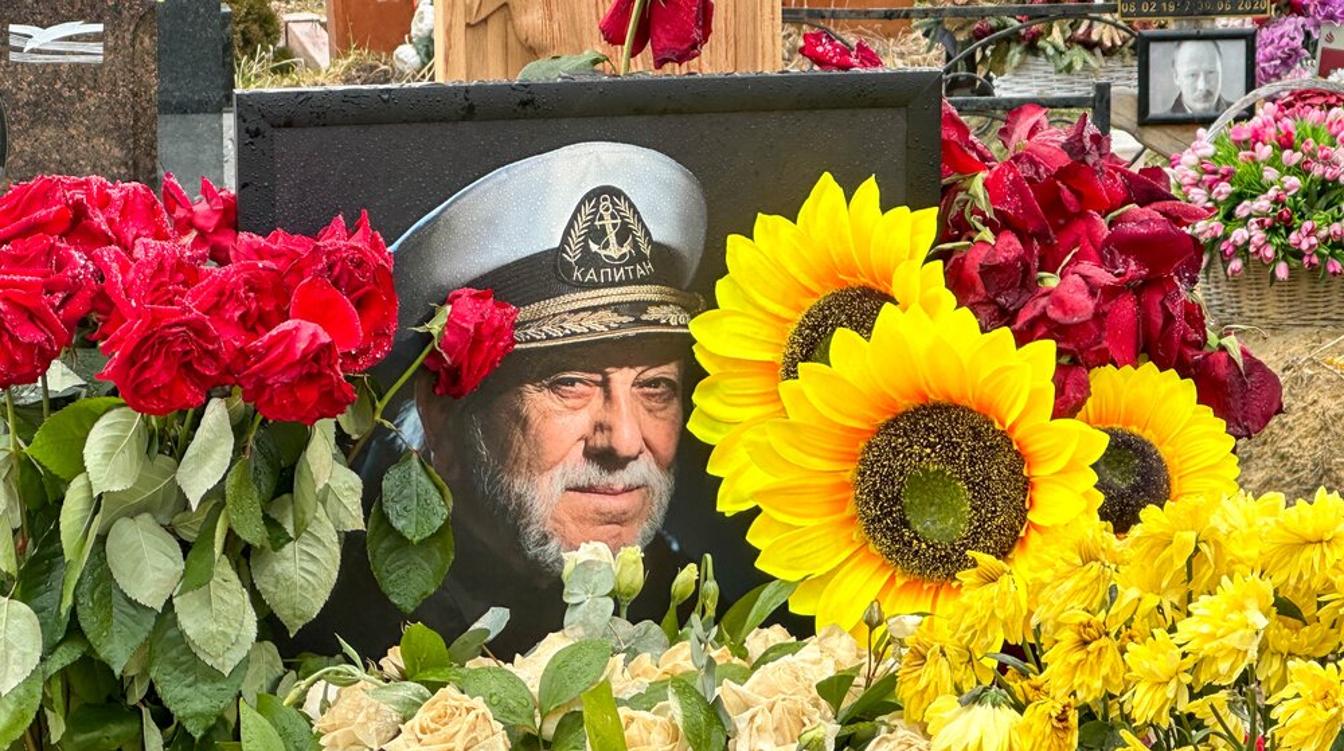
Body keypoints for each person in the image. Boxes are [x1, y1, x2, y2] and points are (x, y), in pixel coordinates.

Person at [294, 142, 708, 657]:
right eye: (569, 384)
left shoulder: (684, 604)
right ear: (442, 415)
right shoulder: (338, 634)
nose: (624, 441)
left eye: (654, 387)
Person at [1168, 39, 1232, 115]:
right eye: (1192, 75)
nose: (1203, 86)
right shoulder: (1160, 122)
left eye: (1210, 72)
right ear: (1176, 77)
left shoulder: (1243, 117)